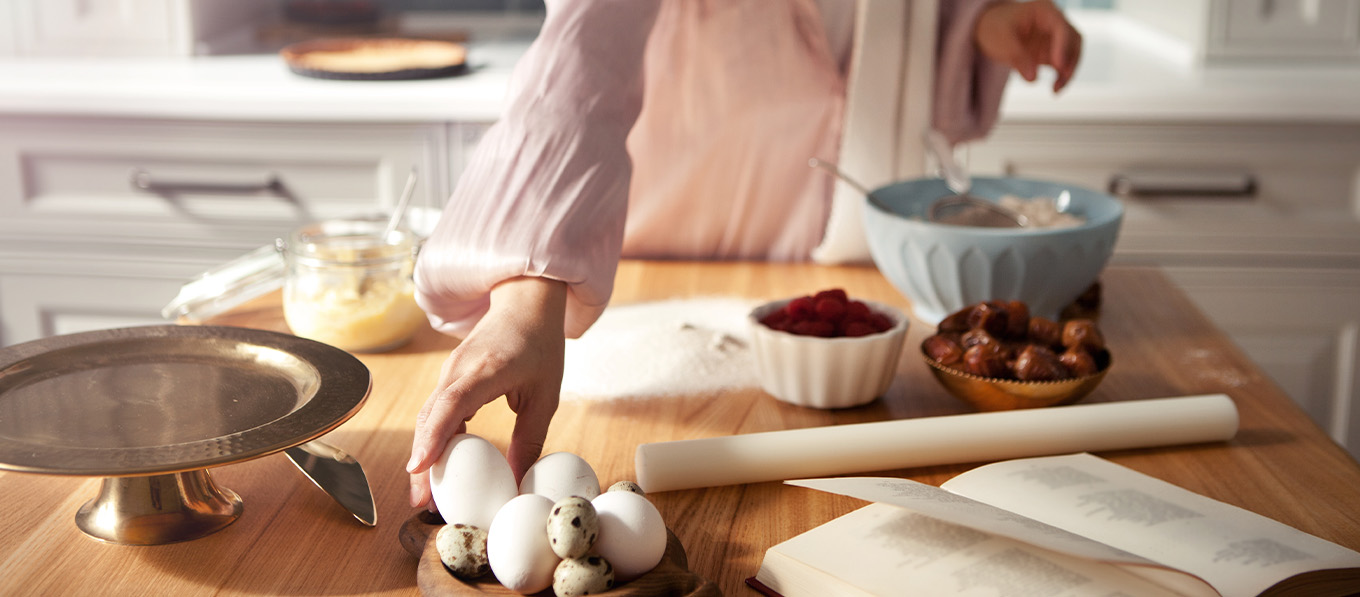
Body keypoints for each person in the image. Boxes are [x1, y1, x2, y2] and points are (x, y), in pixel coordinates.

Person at [406, 0, 1082, 510]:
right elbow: (585, 50)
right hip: (656, 261)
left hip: (844, 247)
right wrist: (528, 295)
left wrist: (977, 20)